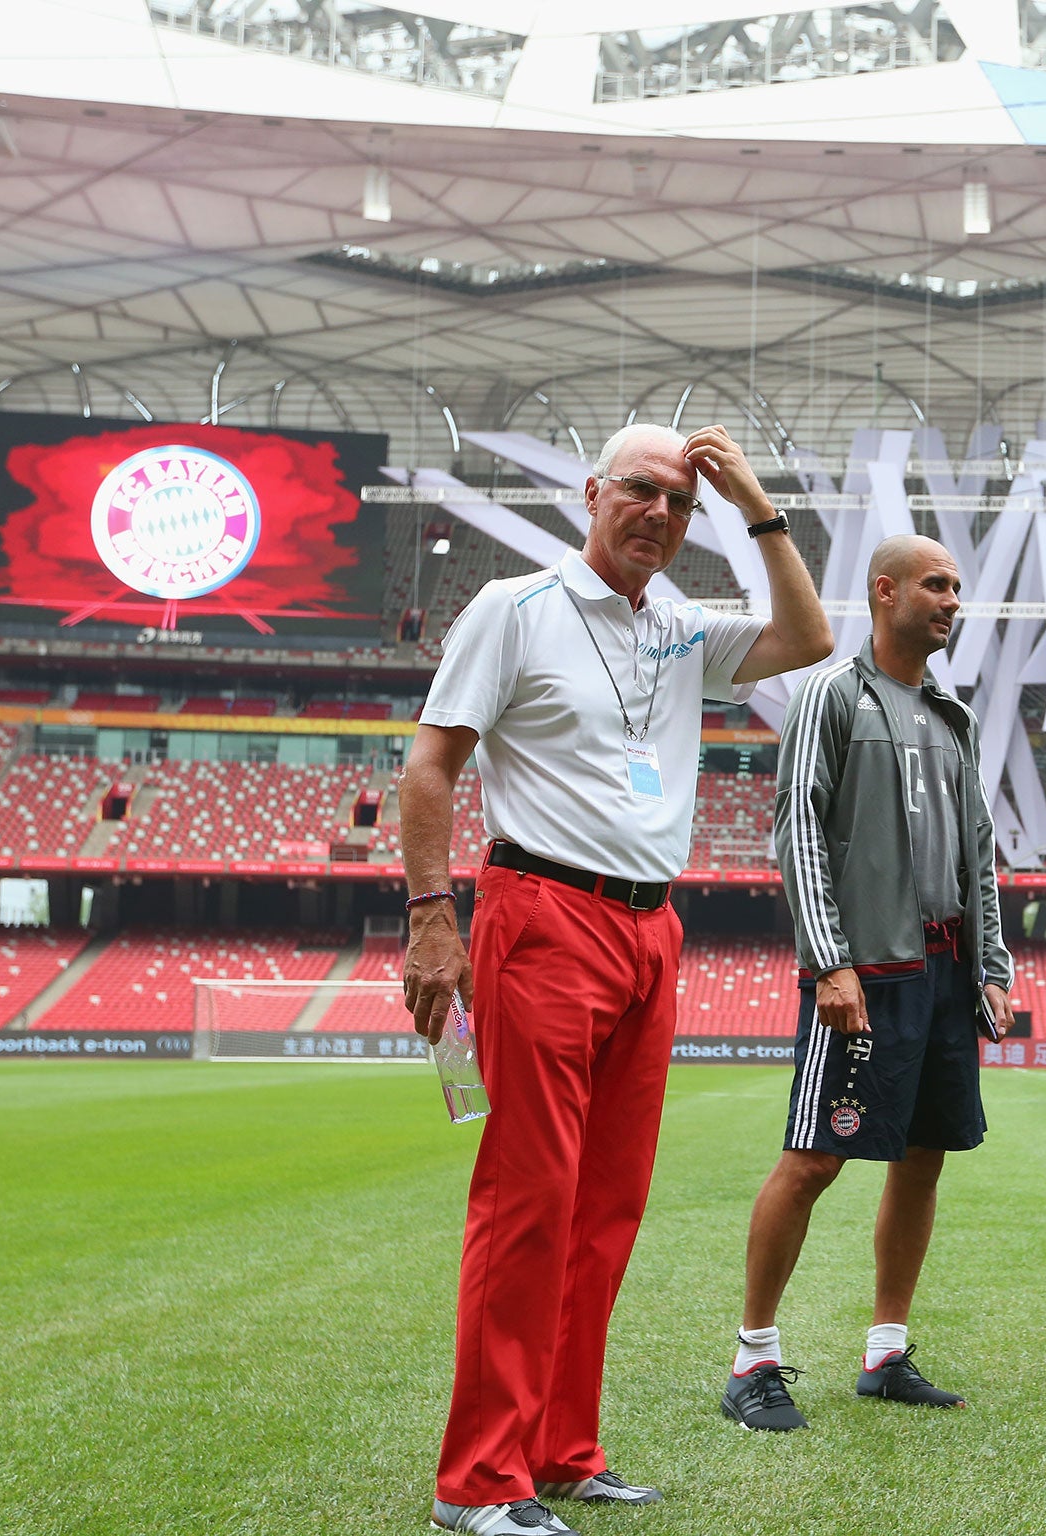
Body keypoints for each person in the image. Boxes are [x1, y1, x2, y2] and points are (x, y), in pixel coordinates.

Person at [402, 423, 831, 1534]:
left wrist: (753, 502)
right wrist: (431, 918)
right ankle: (477, 1481)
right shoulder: (514, 606)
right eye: (640, 491)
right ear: (591, 493)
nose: (658, 514)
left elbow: (808, 634)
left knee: (605, 1208)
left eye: (678, 504)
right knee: (528, 1199)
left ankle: (560, 1449)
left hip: (650, 927)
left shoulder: (680, 626)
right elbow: (430, 766)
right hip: (541, 912)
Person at [722, 533, 1015, 1433]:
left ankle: (886, 1352)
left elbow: (980, 855)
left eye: (958, 587)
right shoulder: (829, 696)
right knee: (814, 1159)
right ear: (884, 591)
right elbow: (797, 827)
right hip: (866, 972)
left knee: (924, 1157)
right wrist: (829, 960)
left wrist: (992, 965)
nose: (952, 600)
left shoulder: (954, 717)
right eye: (936, 585)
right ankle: (753, 1359)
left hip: (944, 972)